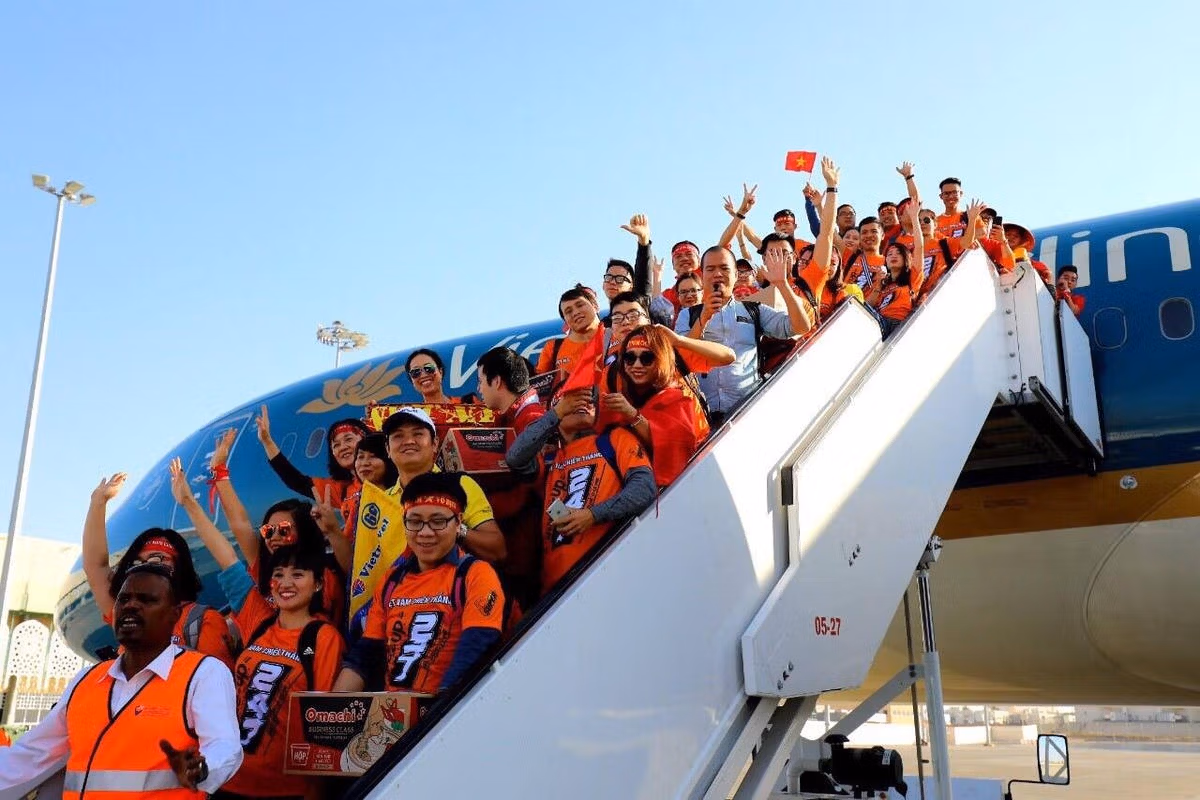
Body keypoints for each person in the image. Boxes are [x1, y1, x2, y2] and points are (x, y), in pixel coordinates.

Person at [172, 462, 344, 800]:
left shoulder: (323, 635)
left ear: (318, 583)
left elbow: (322, 725)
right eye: (278, 575)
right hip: (225, 780)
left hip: (282, 790)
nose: (285, 582)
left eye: (298, 575)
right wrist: (189, 503)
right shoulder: (259, 616)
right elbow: (225, 553)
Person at [0, 564, 242, 797]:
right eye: (123, 599)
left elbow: (225, 747)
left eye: (147, 600)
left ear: (174, 615)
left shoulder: (203, 673)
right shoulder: (86, 680)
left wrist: (201, 770)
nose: (131, 606)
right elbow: (32, 754)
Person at [334, 472, 506, 695]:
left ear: (458, 522)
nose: (425, 532)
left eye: (438, 521)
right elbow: (366, 654)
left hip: (449, 709)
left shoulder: (476, 573)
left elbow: (477, 646)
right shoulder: (392, 580)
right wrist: (333, 706)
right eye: (414, 522)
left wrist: (439, 709)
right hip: (392, 712)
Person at [505, 389, 656, 594]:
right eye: (572, 398)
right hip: (554, 592)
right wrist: (555, 415)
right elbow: (514, 458)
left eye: (589, 398)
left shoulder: (615, 439)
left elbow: (645, 489)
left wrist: (593, 515)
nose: (584, 402)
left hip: (604, 574)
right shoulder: (549, 460)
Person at [82, 473, 236, 668]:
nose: (146, 566)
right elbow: (96, 567)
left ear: (179, 567)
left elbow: (216, 680)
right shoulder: (129, 610)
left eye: (158, 559)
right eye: (138, 562)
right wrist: (98, 502)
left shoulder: (201, 621)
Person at [203, 447, 349, 626]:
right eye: (268, 531)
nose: (274, 537)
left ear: (304, 531)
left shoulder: (325, 575)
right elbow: (240, 524)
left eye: (284, 529)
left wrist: (333, 530)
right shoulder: (265, 568)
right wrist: (219, 471)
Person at [676, 241, 812, 425]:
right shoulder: (688, 314)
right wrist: (704, 317)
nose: (717, 274)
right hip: (702, 416)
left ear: (735, 275)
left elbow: (801, 327)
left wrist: (782, 284)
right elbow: (681, 356)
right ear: (702, 275)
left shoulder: (754, 310)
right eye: (710, 269)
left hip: (747, 413)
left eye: (724, 268)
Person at [381, 406, 507, 562]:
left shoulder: (461, 485)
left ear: (435, 443)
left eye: (418, 434)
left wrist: (455, 528)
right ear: (388, 449)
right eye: (398, 436)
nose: (408, 441)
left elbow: (497, 550)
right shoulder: (381, 500)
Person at [475, 346, 549, 609]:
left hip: (525, 545)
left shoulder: (531, 418)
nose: (479, 389)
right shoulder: (510, 417)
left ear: (497, 381)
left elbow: (530, 482)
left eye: (481, 381)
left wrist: (482, 510)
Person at [601, 325, 710, 488]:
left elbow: (672, 448)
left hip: (690, 481)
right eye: (630, 358)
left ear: (660, 360)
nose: (637, 365)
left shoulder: (679, 398)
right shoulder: (615, 384)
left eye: (647, 358)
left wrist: (632, 415)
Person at [255, 406, 368, 509]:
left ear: (366, 439)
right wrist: (267, 442)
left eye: (348, 439)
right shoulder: (342, 491)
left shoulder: (379, 473)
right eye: (336, 445)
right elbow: (296, 481)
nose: (342, 447)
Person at [864, 203, 925, 338]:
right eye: (890, 254)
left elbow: (919, 247)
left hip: (897, 323)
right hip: (879, 324)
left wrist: (915, 218)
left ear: (906, 258)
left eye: (898, 253)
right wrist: (878, 286)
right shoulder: (883, 282)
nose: (893, 256)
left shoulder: (912, 278)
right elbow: (867, 306)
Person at [535, 283, 603, 387]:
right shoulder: (553, 348)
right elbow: (539, 389)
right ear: (565, 321)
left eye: (580, 305)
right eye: (568, 311)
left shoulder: (617, 336)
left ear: (595, 306)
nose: (575, 313)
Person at [844, 217, 887, 293]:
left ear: (882, 235)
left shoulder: (888, 262)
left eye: (874, 231)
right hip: (845, 299)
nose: (869, 235)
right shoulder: (851, 257)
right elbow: (829, 233)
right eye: (864, 232)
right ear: (860, 237)